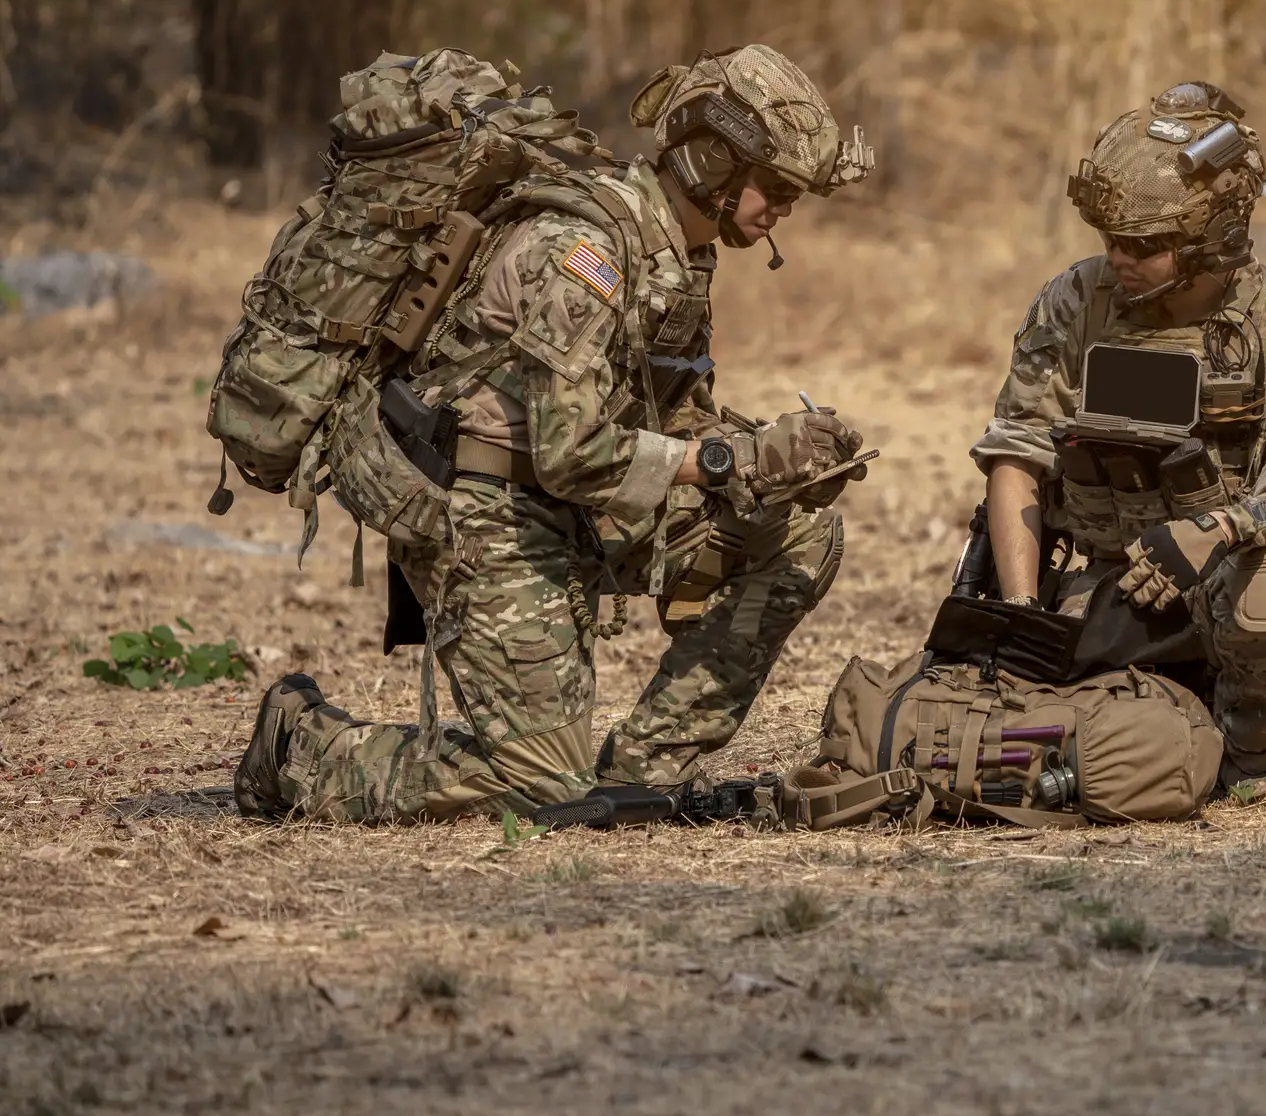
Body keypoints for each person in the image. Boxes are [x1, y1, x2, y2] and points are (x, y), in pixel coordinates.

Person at [235, 46, 874, 822]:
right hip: (481, 507)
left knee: (800, 532)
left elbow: (665, 418)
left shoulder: (679, 254)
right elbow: (572, 451)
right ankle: (300, 748)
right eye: (773, 189)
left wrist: (775, 462)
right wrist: (727, 459)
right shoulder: (585, 253)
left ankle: (647, 771)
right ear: (714, 160)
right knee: (537, 788)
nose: (781, 212)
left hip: (564, 501)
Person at [971, 81, 1266, 803]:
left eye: (1144, 246)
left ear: (1210, 240)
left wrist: (1213, 531)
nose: (1119, 258)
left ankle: (1252, 760)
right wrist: (1022, 616)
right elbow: (1015, 454)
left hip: (1229, 588)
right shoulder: (1076, 301)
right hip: (1103, 583)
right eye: (1110, 240)